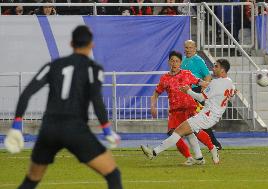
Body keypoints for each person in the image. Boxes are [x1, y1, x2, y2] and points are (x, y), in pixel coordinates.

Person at [4, 25, 123, 189]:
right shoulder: (93, 69)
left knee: (30, 181)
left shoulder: (53, 65)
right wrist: (107, 130)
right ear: (91, 45)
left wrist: (16, 126)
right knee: (113, 175)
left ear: (71, 44)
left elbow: (27, 93)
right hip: (75, 129)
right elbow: (96, 100)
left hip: (49, 129)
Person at [141, 59, 235, 164]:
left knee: (178, 131)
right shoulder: (229, 82)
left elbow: (200, 98)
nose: (213, 68)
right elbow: (232, 93)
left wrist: (188, 91)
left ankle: (153, 153)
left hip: (206, 115)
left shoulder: (216, 83)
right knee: (191, 132)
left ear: (222, 70)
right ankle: (204, 155)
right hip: (213, 115)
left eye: (216, 66)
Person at [151, 50, 215, 166]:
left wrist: (215, 87)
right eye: (172, 61)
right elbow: (156, 94)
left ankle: (211, 148)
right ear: (168, 62)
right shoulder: (164, 78)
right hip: (175, 111)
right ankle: (195, 157)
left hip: (189, 108)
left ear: (180, 63)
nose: (174, 63)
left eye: (177, 61)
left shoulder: (186, 74)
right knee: (176, 133)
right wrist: (153, 106)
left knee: (194, 131)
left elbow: (201, 82)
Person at [181, 40, 223, 150]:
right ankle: (204, 146)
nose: (188, 50)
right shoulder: (184, 60)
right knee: (190, 121)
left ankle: (214, 144)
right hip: (186, 94)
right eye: (186, 47)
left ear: (195, 49)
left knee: (201, 120)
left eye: (190, 47)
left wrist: (202, 91)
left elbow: (207, 76)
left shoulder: (198, 60)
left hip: (196, 93)